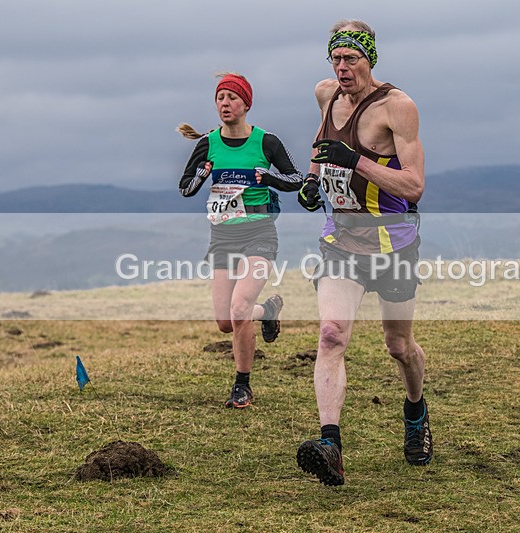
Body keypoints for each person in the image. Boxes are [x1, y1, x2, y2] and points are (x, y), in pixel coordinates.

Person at [295, 20, 432, 486]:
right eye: (335, 58)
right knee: (331, 334)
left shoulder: (398, 107)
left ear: (370, 58)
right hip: (341, 243)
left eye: (351, 58)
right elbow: (322, 143)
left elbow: (413, 187)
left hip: (393, 244)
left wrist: (355, 162)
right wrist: (313, 180)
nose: (342, 67)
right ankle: (330, 444)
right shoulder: (326, 94)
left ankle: (415, 411)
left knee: (399, 347)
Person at [178, 72, 303, 408]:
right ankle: (268, 311)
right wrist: (203, 175)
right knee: (225, 321)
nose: (225, 104)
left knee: (238, 308)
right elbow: (185, 186)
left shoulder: (266, 142)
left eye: (231, 98)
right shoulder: (208, 144)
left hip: (259, 234)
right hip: (222, 238)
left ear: (246, 104)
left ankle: (242, 385)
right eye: (220, 98)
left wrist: (270, 177)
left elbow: (297, 179)